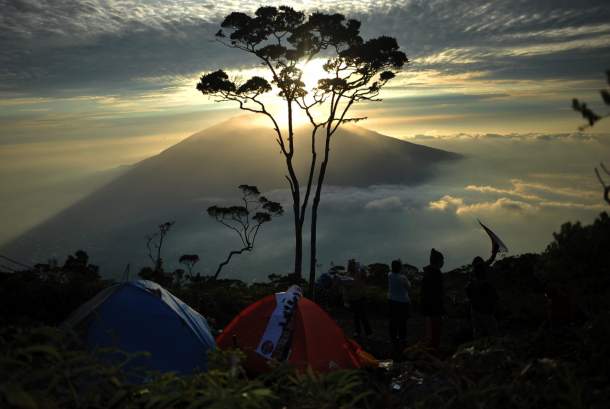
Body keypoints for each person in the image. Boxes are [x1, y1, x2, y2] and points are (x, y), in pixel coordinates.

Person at [465, 256, 499, 338]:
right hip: (486, 311)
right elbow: (494, 298)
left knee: (477, 331)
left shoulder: (470, 284)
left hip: (475, 310)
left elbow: (468, 294)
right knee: (492, 331)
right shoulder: (486, 285)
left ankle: (477, 348)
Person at [421, 248, 445, 351]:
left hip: (429, 310)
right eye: (442, 260)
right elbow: (437, 294)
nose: (443, 262)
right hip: (434, 310)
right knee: (433, 337)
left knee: (431, 335)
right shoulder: (435, 274)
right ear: (438, 261)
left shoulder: (428, 273)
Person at [343, 260, 372, 339]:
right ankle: (358, 332)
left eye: (352, 265)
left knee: (363, 316)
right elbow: (345, 289)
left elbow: (366, 277)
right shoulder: (348, 275)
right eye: (350, 265)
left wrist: (363, 270)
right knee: (356, 317)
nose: (351, 266)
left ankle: (368, 332)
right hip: (353, 299)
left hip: (361, 298)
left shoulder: (359, 273)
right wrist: (345, 300)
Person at [388, 259, 411, 352]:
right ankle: (403, 338)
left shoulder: (389, 275)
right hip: (403, 302)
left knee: (393, 320)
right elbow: (409, 287)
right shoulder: (403, 278)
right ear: (400, 268)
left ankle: (393, 337)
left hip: (392, 301)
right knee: (402, 321)